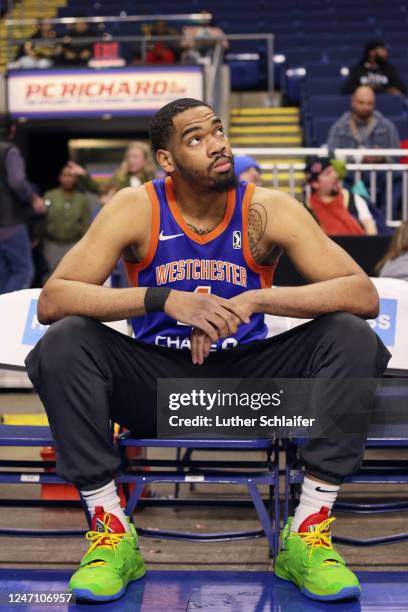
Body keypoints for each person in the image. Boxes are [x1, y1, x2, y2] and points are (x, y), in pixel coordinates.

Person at [25, 98, 390, 603]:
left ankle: (308, 531)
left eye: (218, 130)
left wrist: (256, 297)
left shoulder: (267, 209)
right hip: (158, 397)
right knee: (64, 340)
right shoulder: (137, 207)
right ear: (167, 160)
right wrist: (163, 299)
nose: (217, 143)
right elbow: (54, 299)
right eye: (196, 138)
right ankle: (111, 534)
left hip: (251, 397)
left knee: (352, 334)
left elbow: (363, 294)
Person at [0, 118, 46, 294]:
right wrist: (33, 198)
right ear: (12, 130)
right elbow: (17, 182)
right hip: (10, 222)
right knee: (23, 271)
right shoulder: (9, 150)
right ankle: (7, 311)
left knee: (3, 274)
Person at [305, 157, 377, 235]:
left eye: (334, 171)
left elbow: (370, 228)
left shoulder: (353, 199)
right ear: (315, 183)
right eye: (328, 173)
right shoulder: (307, 209)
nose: (335, 176)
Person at [42, 166, 91, 276]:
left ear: (75, 179)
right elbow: (42, 220)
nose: (67, 179)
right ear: (60, 178)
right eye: (65, 175)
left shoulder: (81, 199)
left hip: (73, 244)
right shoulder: (50, 196)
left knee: (73, 275)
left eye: (71, 176)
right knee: (50, 274)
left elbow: (87, 224)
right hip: (52, 244)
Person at [67, 141, 157, 200]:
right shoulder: (120, 178)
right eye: (129, 156)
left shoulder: (153, 181)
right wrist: (83, 175)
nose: (131, 160)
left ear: (145, 160)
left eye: (135, 157)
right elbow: (100, 188)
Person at [328, 86, 401, 154]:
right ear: (353, 102)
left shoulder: (387, 127)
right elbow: (332, 154)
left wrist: (381, 157)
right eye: (361, 102)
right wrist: (356, 158)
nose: (365, 107)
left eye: (369, 103)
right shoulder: (339, 127)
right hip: (348, 167)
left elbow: (395, 155)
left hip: (380, 167)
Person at [342, 40, 407, 96]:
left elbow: (402, 89)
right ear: (372, 52)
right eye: (382, 50)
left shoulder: (390, 69)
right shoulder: (358, 69)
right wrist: (366, 89)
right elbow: (347, 89)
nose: (385, 53)